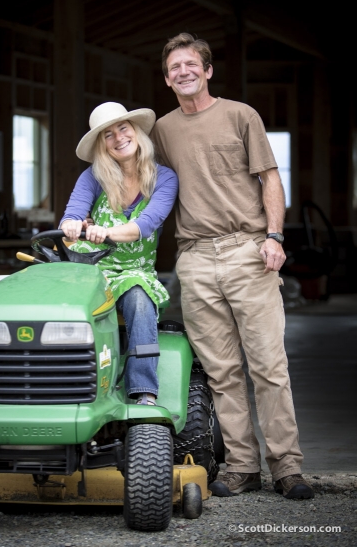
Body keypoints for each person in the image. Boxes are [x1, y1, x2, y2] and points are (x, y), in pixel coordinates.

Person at [150, 33, 314, 499]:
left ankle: (286, 467)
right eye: (174, 67)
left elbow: (270, 179)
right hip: (196, 258)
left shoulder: (241, 115)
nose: (183, 71)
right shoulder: (162, 130)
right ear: (167, 78)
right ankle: (242, 467)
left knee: (268, 365)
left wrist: (274, 237)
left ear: (207, 70)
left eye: (190, 64)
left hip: (247, 249)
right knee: (221, 372)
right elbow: (144, 182)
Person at [60, 102, 178, 406]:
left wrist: (105, 231)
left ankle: (143, 392)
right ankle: (67, 386)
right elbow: (71, 215)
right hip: (89, 270)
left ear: (136, 131)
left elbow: (145, 226)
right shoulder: (93, 177)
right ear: (102, 146)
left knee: (139, 296)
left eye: (123, 128)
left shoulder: (164, 178)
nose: (118, 137)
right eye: (108, 135)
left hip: (133, 271)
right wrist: (73, 225)